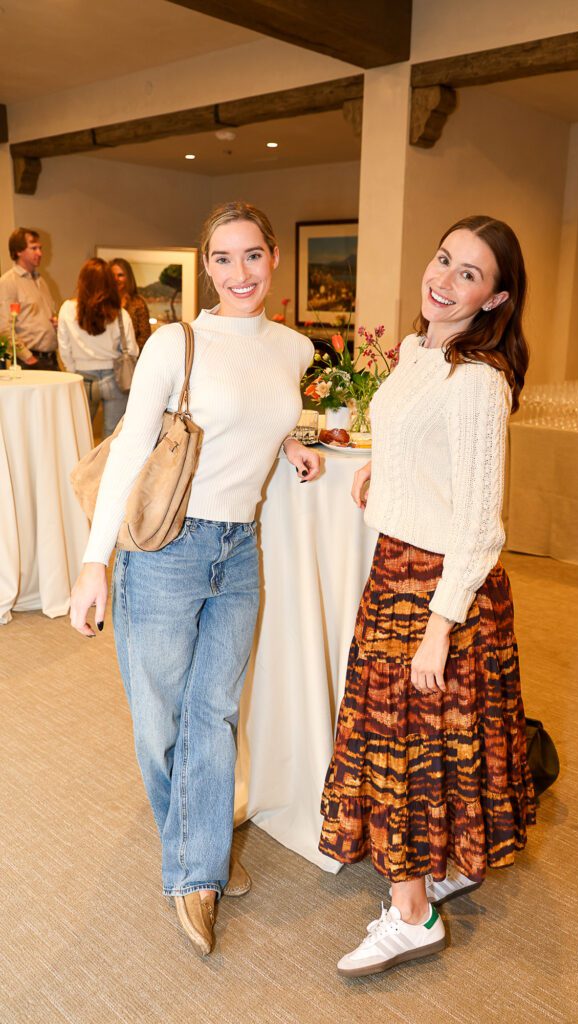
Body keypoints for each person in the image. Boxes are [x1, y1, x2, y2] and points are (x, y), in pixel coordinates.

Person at [69, 201, 320, 957]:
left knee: (213, 716)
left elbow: (258, 416)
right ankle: (201, 847)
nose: (238, 273)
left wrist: (292, 443)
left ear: (275, 258)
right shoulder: (175, 345)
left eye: (252, 256)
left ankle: (196, 870)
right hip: (166, 551)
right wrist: (93, 563)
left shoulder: (294, 347)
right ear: (206, 266)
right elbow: (130, 453)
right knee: (160, 723)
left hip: (239, 551)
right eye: (222, 258)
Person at [319, 214, 536, 977]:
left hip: (439, 584)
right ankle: (445, 866)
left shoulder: (478, 381)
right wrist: (384, 468)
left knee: (402, 747)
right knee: (423, 742)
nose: (443, 280)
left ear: (496, 297)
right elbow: (415, 435)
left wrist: (441, 626)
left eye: (468, 274)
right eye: (443, 260)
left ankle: (412, 914)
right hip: (396, 564)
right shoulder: (420, 351)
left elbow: (480, 523)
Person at [57, 258, 137, 439]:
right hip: (115, 379)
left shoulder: (67, 309)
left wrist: (73, 371)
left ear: (82, 282)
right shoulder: (119, 314)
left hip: (81, 378)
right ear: (109, 282)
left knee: (79, 436)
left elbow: (64, 349)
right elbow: (132, 350)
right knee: (113, 438)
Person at [0, 227, 59, 369]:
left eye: (40, 248)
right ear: (18, 251)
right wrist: (27, 357)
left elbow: (48, 316)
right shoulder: (9, 282)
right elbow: (4, 327)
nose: (40, 253)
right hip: (30, 362)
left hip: (51, 358)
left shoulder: (41, 281)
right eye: (34, 248)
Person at [109, 257, 152, 351]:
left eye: (120, 275)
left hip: (131, 360)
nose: (116, 279)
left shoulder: (138, 303)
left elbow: (144, 336)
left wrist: (131, 355)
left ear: (128, 277)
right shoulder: (104, 303)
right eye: (112, 275)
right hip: (106, 358)